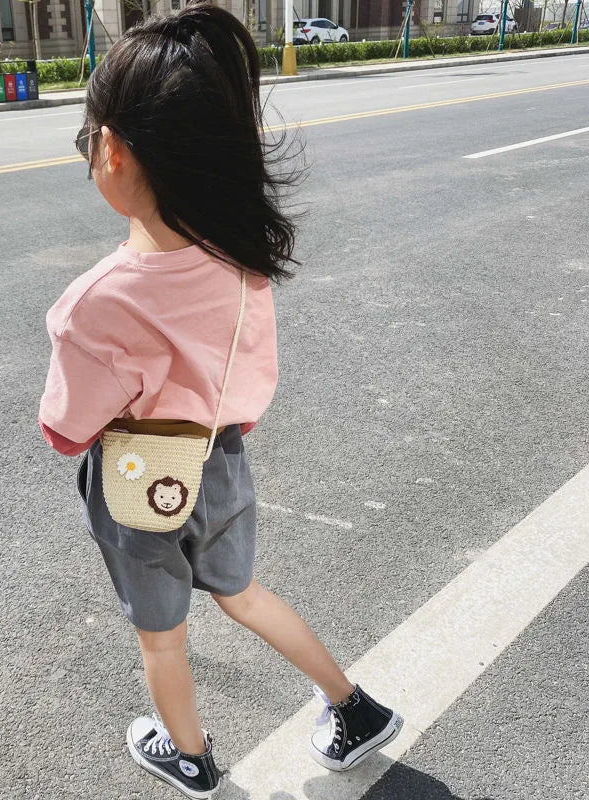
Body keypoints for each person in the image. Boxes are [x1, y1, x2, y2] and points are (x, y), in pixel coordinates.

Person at [38, 3, 403, 797]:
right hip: (222, 459)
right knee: (241, 592)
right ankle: (353, 706)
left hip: (138, 480)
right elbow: (250, 381)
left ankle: (191, 757)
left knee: (162, 637)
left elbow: (65, 431)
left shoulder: (94, 302)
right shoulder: (239, 259)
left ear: (112, 151)